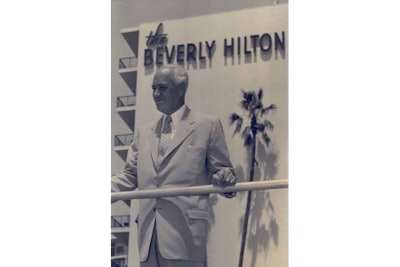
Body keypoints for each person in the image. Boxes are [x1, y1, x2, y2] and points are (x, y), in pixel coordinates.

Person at [111, 64, 237, 267]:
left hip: (185, 236)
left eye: (162, 88)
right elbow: (129, 175)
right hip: (148, 239)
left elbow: (222, 169)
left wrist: (225, 177)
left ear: (181, 89)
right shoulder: (144, 132)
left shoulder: (207, 126)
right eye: (153, 88)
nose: (156, 94)